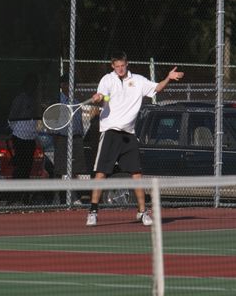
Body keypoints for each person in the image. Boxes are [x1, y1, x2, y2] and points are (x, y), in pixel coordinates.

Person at [86, 51, 184, 226]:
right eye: (117, 66)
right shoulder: (107, 79)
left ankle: (142, 212)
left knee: (137, 174)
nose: (120, 69)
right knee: (101, 173)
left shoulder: (138, 80)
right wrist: (98, 97)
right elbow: (101, 96)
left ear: (126, 63)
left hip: (129, 134)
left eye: (122, 65)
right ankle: (93, 211)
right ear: (112, 66)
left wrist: (168, 78)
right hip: (110, 132)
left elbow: (157, 88)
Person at [52, 73, 88, 204]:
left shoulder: (77, 102)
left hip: (76, 138)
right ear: (63, 85)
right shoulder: (57, 101)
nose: (72, 87)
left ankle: (73, 196)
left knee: (75, 169)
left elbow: (80, 123)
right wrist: (55, 137)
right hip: (62, 138)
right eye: (69, 84)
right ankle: (58, 197)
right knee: (60, 169)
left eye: (74, 85)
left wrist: (80, 136)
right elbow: (52, 122)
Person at [8, 73, 40, 203]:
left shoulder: (35, 99)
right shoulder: (20, 99)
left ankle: (24, 198)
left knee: (27, 168)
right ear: (26, 85)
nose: (34, 87)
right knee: (19, 168)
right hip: (19, 138)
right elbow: (12, 117)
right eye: (32, 84)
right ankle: (14, 197)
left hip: (30, 139)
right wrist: (16, 130)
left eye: (35, 84)